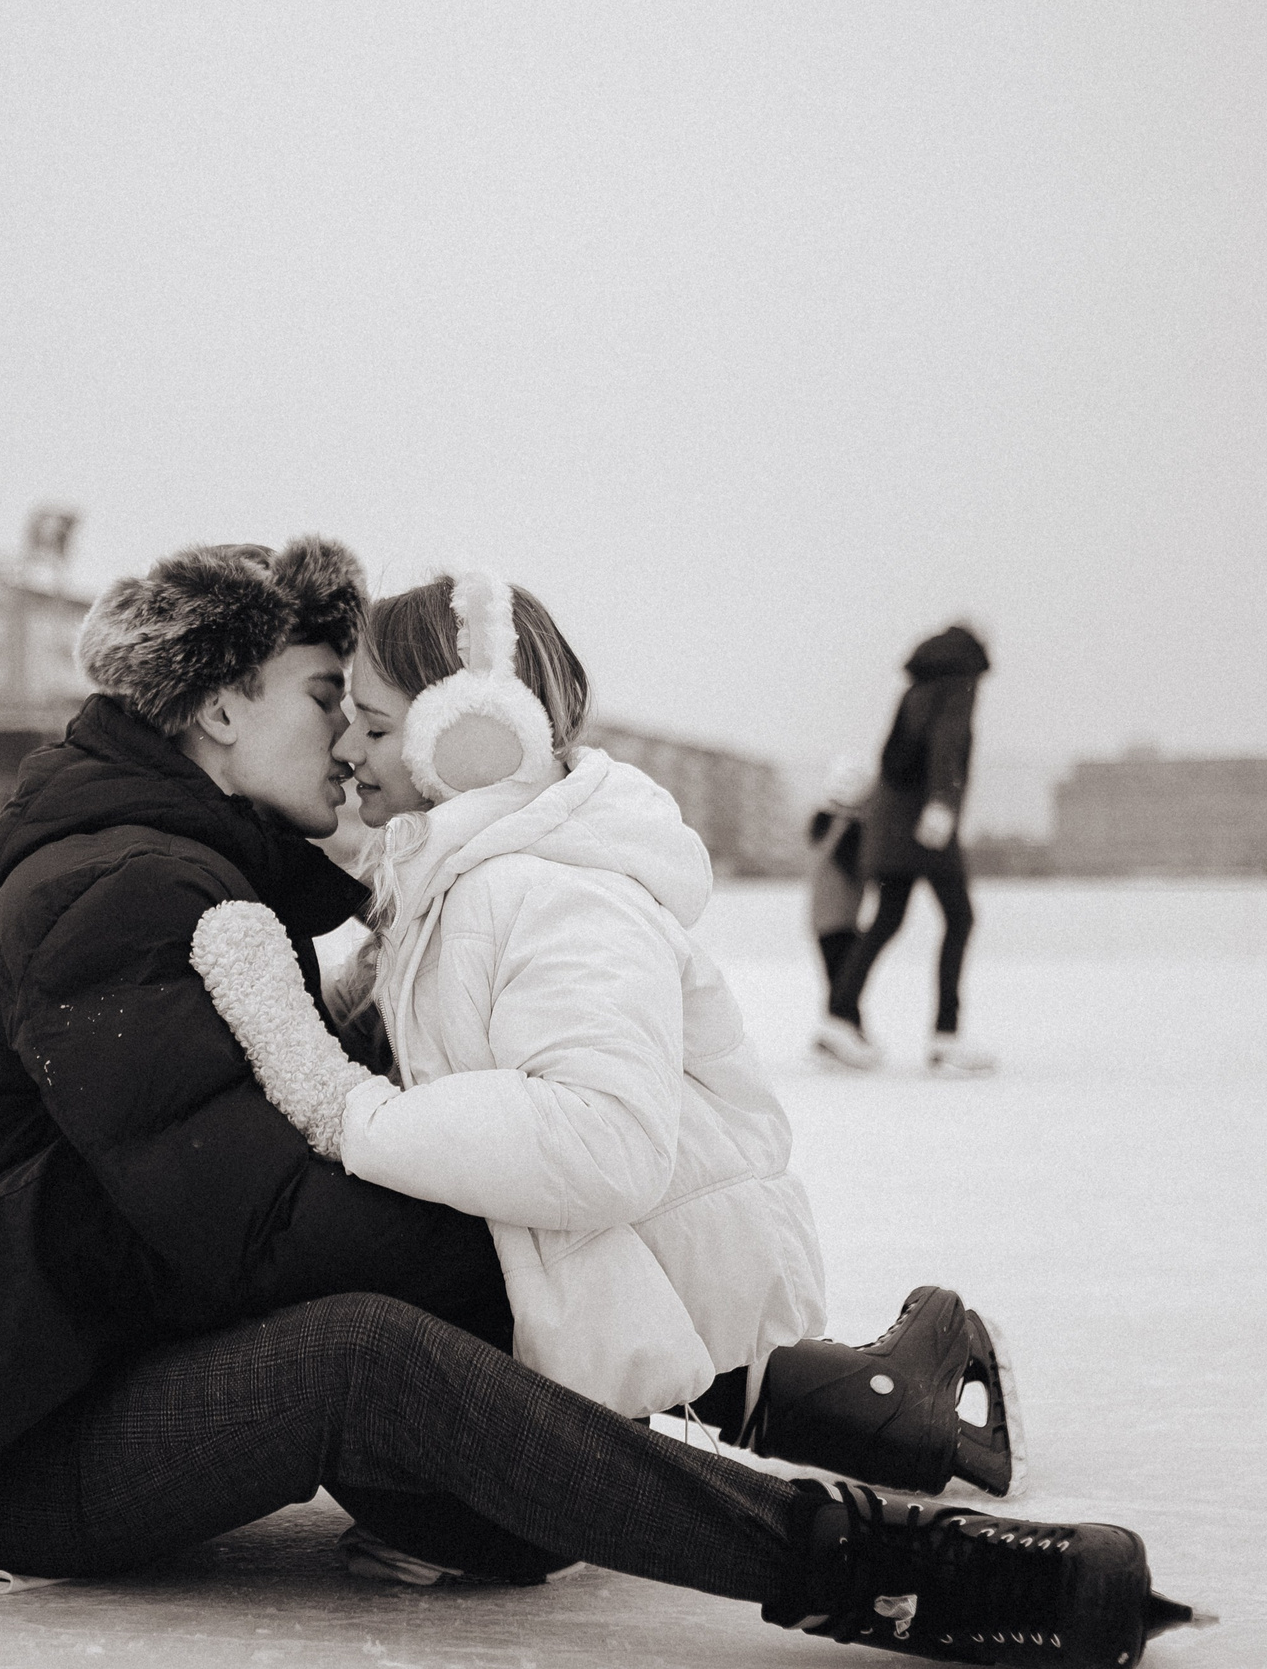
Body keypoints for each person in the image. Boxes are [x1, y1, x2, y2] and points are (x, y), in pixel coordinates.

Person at [0, 539, 1204, 1666]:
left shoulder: (236, 880)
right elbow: (254, 1218)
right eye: (317, 698)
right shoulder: (154, 888)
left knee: (406, 1261)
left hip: (43, 1360)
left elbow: (331, 1149)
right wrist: (513, 1243)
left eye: (370, 711)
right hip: (2, 1437)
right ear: (219, 710)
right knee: (352, 1318)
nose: (349, 738)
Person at [189, 572, 1018, 1514]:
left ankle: (902, 1385)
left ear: (472, 737)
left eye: (374, 727)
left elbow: (602, 1137)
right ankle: (871, 1396)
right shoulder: (469, 882)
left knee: (713, 1396)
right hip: (609, 1283)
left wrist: (353, 1110)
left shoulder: (554, 893)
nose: (345, 748)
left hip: (659, 1285)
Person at [818, 625, 996, 1078]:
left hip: (890, 822)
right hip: (922, 823)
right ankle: (946, 1036)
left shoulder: (916, 690)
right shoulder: (956, 687)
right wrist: (941, 804)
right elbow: (946, 748)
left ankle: (839, 1018)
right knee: (959, 918)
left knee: (887, 920)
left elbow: (896, 756)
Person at [806, 755, 875, 1019]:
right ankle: (843, 1030)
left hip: (821, 918)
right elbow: (859, 870)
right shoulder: (848, 830)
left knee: (836, 980)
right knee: (843, 983)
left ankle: (841, 1030)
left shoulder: (824, 823)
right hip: (840, 919)